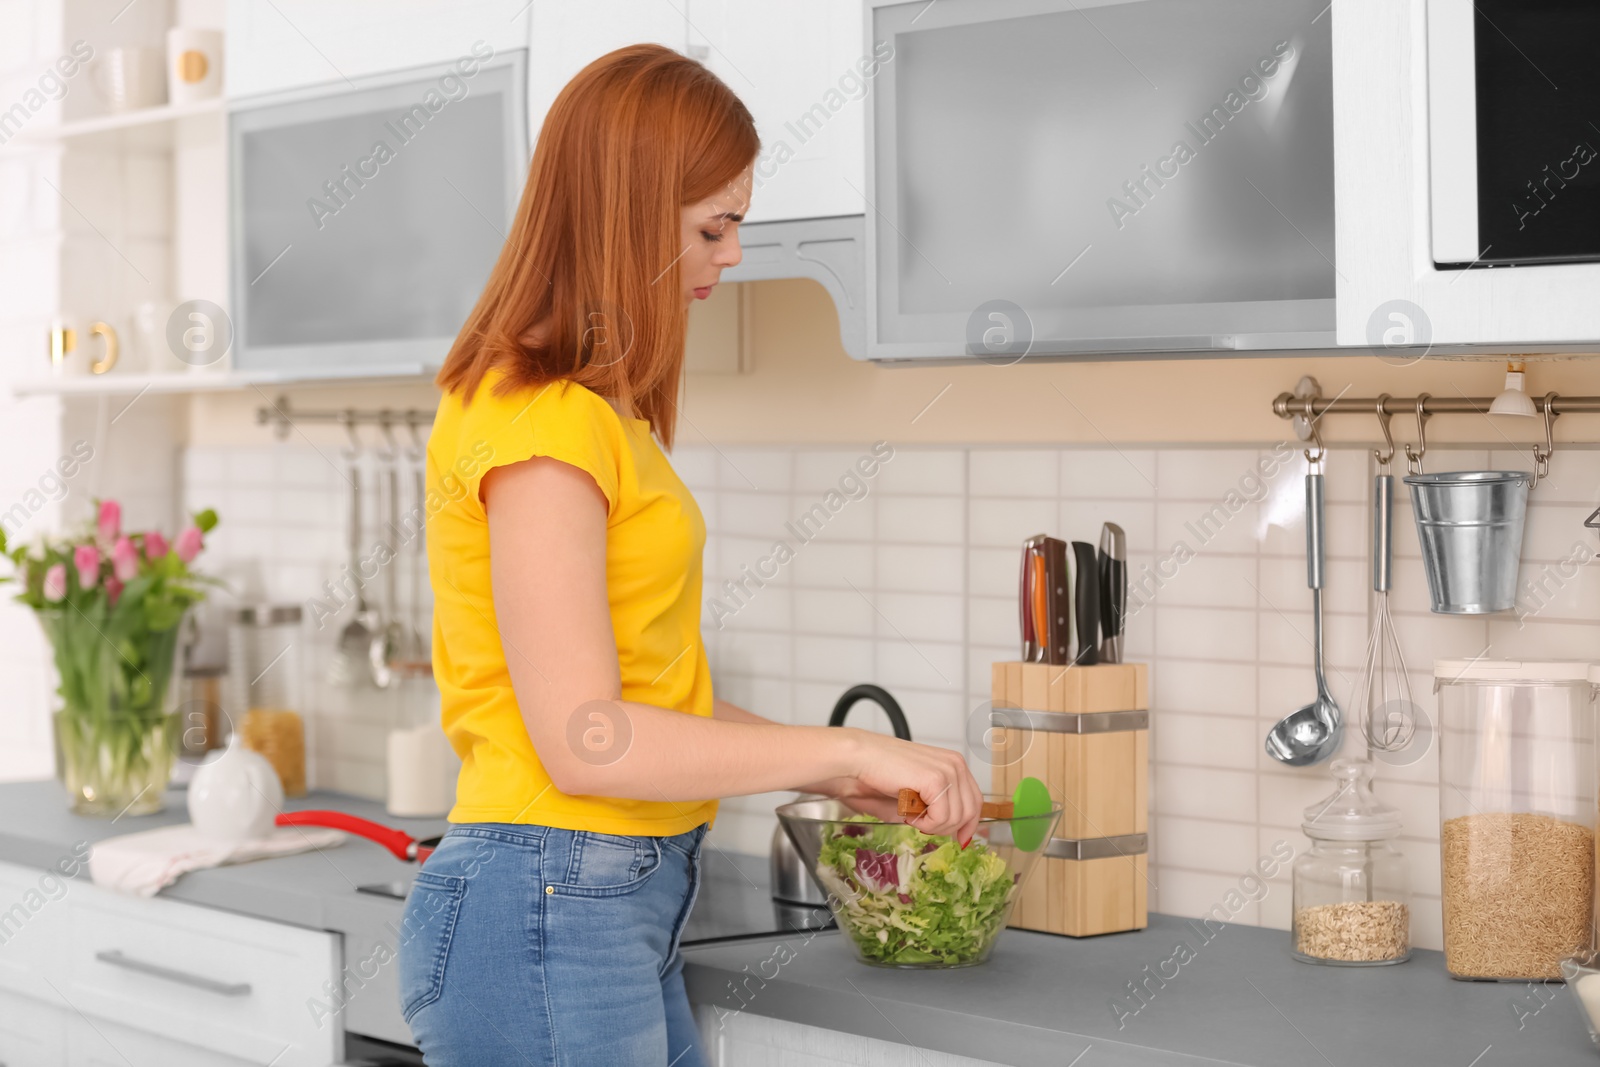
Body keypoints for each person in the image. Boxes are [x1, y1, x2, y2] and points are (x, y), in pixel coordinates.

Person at [397, 43, 983, 1066]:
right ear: (626, 216)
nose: (731, 255)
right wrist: (846, 748)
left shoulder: (589, 418)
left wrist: (834, 770)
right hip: (546, 899)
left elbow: (642, 694)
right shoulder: (540, 424)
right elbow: (588, 738)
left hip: (597, 901)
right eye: (713, 227)